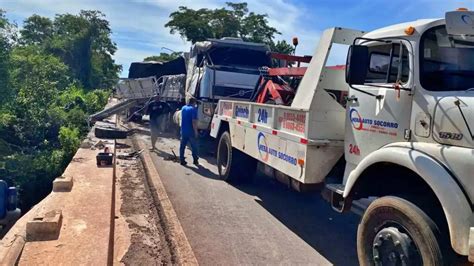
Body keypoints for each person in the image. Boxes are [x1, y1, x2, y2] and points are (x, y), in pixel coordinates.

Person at [179, 98, 199, 166]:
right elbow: (194, 122)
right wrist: (196, 131)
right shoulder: (193, 109)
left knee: (182, 146)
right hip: (191, 132)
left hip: (183, 130)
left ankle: (182, 160)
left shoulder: (183, 108)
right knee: (194, 146)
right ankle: (195, 160)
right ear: (194, 103)